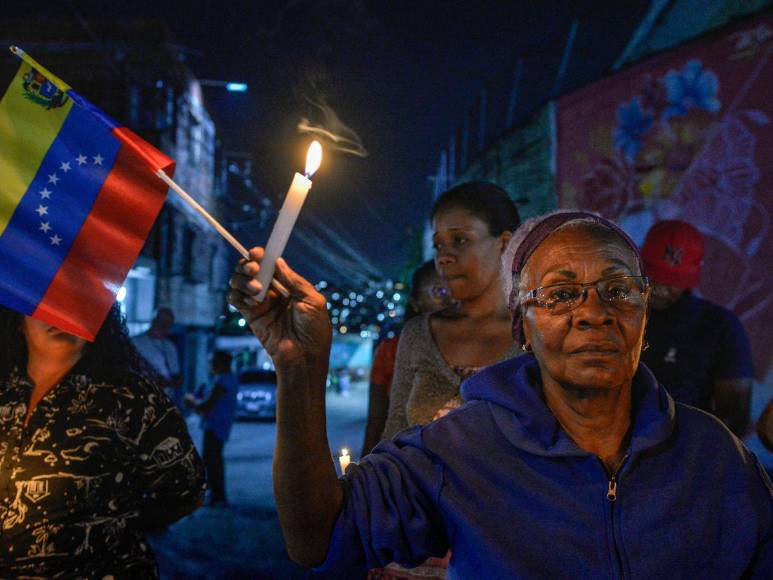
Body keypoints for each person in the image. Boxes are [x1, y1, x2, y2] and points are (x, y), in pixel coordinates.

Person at [228, 210, 773, 577]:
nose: (594, 313)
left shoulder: (715, 455)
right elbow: (319, 539)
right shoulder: (458, 451)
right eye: (561, 294)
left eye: (619, 290)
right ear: (522, 327)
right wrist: (300, 370)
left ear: (643, 315)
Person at [0, 304, 205, 577]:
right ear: (17, 317)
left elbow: (186, 488)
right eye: (44, 304)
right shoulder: (5, 392)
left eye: (71, 301)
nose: (57, 312)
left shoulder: (133, 399)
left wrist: (115, 524)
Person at [381, 182, 521, 441]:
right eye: (438, 245)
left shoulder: (534, 336)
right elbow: (394, 436)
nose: (444, 256)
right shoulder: (418, 335)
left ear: (504, 243)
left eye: (460, 240)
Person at [640, 220, 754, 436]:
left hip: (687, 448)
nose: (660, 289)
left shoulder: (721, 328)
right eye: (653, 277)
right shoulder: (618, 315)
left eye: (672, 281)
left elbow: (735, 419)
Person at [361, 260, 456, 457]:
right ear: (416, 302)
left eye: (455, 290)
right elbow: (377, 419)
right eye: (440, 291)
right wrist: (366, 464)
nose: (451, 299)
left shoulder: (481, 345)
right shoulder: (392, 349)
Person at [185, 350, 239, 507]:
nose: (210, 365)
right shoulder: (226, 378)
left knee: (212, 460)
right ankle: (216, 494)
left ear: (220, 363)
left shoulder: (222, 380)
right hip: (217, 424)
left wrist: (191, 402)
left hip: (216, 425)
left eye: (212, 362)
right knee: (213, 459)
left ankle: (218, 495)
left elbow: (206, 405)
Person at [133, 307, 184, 406]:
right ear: (154, 321)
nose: (165, 327)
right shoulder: (136, 342)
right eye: (163, 322)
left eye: (169, 324)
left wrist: (175, 381)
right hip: (143, 399)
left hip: (166, 400)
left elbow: (176, 372)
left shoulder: (170, 346)